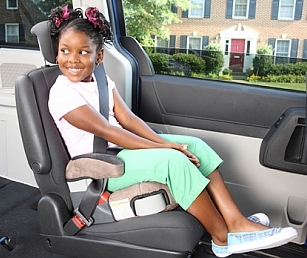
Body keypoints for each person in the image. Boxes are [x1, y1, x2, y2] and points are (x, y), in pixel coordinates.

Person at [47, 5, 298, 257]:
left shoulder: (101, 80)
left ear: (98, 57)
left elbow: (129, 119)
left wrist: (162, 141)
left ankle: (236, 221)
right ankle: (222, 238)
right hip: (102, 165)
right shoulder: (62, 93)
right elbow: (108, 131)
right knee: (172, 160)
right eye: (64, 51)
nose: (72, 59)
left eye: (83, 52)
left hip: (121, 151)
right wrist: (164, 147)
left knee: (195, 145)